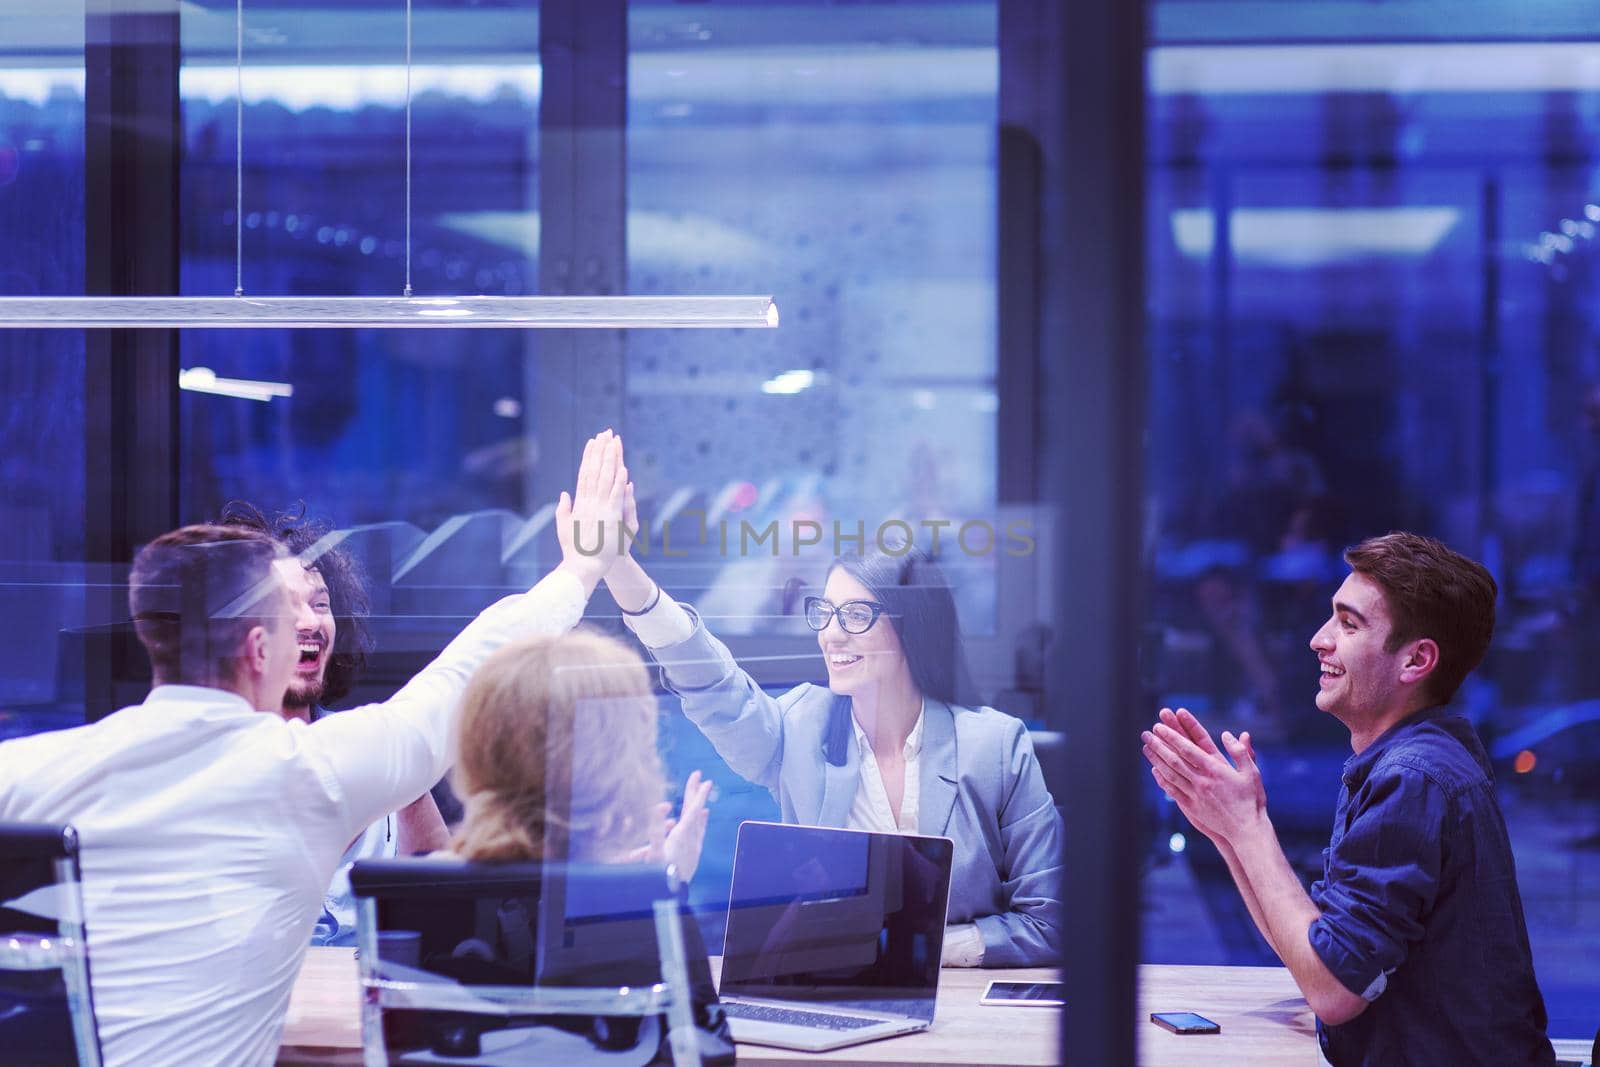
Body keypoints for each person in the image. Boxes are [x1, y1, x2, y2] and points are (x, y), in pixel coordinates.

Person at [0, 431, 628, 1067]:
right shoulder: (309, 772)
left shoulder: (32, 769)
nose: (311, 627)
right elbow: (466, 672)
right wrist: (581, 567)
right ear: (259, 648)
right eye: (287, 615)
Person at [603, 466, 1063, 968]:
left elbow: (1050, 924)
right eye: (824, 612)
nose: (831, 634)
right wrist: (624, 572)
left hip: (962, 1008)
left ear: (914, 631)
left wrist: (923, 948)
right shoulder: (800, 729)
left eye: (857, 616)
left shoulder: (995, 746)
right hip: (835, 995)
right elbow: (716, 686)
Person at [1142, 531, 1554, 1066]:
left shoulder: (1415, 778)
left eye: (1349, 623)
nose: (1319, 638)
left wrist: (1248, 827)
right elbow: (1318, 956)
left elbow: (1335, 990)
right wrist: (1225, 827)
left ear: (1416, 661)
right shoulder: (1411, 760)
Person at [215, 501, 450, 946]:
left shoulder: (377, 742)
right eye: (283, 607)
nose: (309, 622)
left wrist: (401, 768)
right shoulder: (208, 760)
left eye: (321, 604)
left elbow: (448, 908)